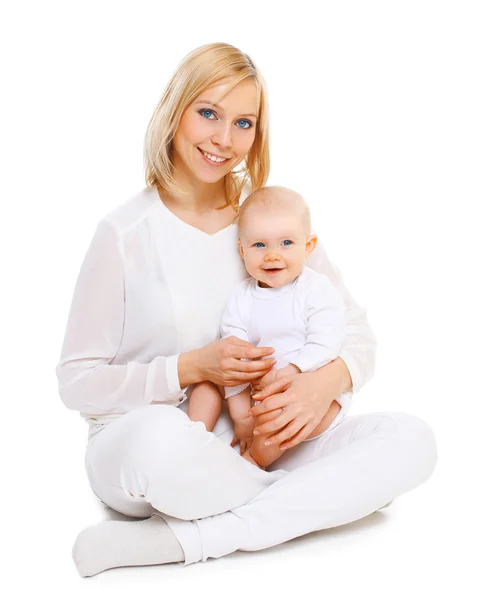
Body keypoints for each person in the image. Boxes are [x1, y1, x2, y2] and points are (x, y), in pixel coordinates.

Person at [57, 42, 438, 577]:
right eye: (208, 113)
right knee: (161, 441)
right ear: (175, 110)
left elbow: (356, 334)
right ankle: (320, 501)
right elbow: (77, 383)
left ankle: (183, 539)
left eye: (244, 123)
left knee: (410, 440)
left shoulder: (268, 224)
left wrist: (322, 383)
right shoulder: (123, 234)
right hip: (156, 450)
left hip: (258, 443)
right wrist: (190, 368)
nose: (223, 139)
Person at [188, 185, 349, 470]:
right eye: (259, 245)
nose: (272, 255)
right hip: (257, 388)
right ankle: (190, 442)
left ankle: (251, 467)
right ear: (242, 249)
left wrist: (291, 372)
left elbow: (326, 342)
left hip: (308, 394)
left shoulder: (316, 289)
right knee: (207, 381)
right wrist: (241, 415)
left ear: (308, 246)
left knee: (279, 418)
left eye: (286, 243)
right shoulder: (242, 296)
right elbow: (234, 355)